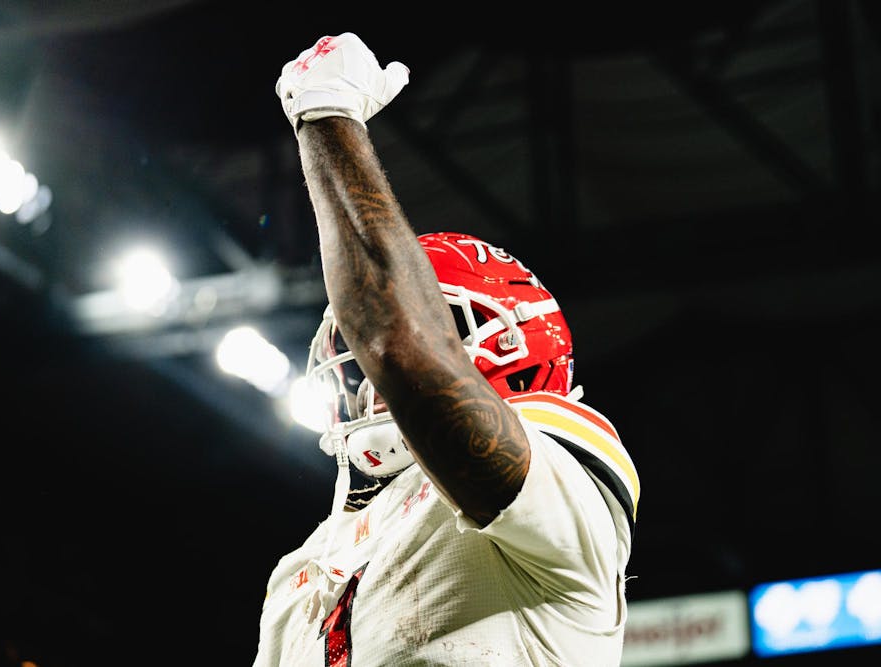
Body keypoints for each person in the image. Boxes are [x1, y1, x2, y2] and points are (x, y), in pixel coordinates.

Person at [255, 32, 640, 666]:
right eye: (354, 355)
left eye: (449, 328)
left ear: (516, 345)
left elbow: (402, 348)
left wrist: (328, 117)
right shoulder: (298, 573)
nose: (370, 382)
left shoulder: (565, 471)